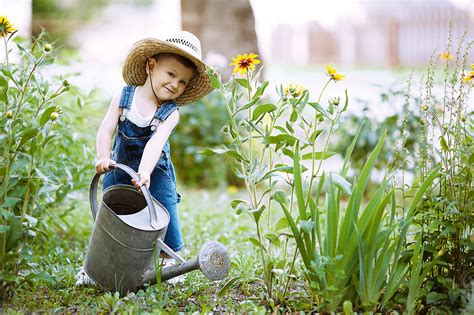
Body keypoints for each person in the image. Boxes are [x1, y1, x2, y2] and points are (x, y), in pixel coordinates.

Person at [75, 30, 213, 286]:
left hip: (155, 170)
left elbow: (155, 144)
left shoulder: (170, 113)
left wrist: (146, 172)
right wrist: (103, 157)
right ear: (151, 66)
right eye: (171, 75)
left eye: (182, 82)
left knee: (165, 209)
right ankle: (93, 268)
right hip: (120, 166)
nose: (175, 85)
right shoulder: (124, 97)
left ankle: (167, 259)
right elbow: (106, 129)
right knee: (111, 214)